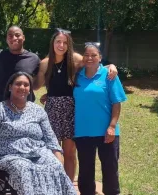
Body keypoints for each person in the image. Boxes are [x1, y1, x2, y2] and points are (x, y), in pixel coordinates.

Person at [35, 29, 118, 182]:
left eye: (65, 42)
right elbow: (35, 86)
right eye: (58, 42)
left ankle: (68, 187)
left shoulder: (75, 59)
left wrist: (110, 66)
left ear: (69, 44)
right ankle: (53, 185)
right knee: (52, 151)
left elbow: (94, 64)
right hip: (52, 109)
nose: (61, 45)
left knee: (69, 152)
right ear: (52, 43)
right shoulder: (45, 63)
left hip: (71, 109)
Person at [73, 43, 127, 195]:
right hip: (82, 131)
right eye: (86, 55)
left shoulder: (109, 75)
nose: (89, 58)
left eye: (93, 55)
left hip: (107, 132)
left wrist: (112, 126)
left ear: (100, 58)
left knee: (110, 167)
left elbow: (116, 103)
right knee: (86, 167)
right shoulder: (76, 76)